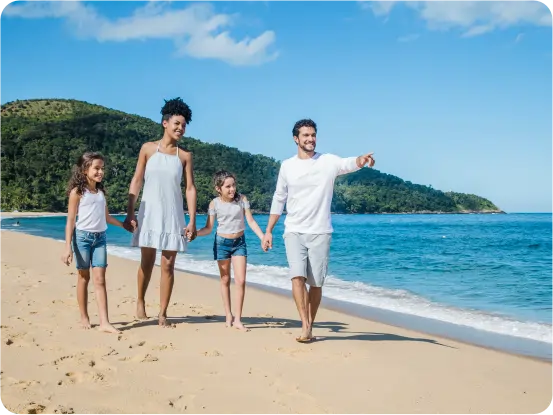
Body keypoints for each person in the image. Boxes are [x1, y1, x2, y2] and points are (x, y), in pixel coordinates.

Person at [262, 119, 375, 343]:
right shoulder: (287, 166)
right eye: (305, 135)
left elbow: (348, 163)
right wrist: (268, 231)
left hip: (321, 231)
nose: (310, 139)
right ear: (296, 139)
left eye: (313, 135)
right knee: (297, 277)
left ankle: (310, 324)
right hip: (293, 230)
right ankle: (305, 325)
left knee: (315, 284)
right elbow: (279, 198)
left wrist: (362, 160)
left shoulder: (327, 161)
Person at [123, 97, 197, 327]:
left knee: (168, 264)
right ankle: (140, 300)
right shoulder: (147, 148)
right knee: (147, 261)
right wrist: (130, 212)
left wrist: (192, 221)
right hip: (149, 212)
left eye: (184, 125)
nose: (180, 128)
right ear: (165, 122)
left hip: (173, 215)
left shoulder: (184, 156)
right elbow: (136, 181)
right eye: (177, 123)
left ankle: (163, 313)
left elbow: (190, 188)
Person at [61, 151, 130, 334]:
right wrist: (67, 247)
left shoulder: (100, 192)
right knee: (84, 277)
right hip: (82, 238)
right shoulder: (77, 192)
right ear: (85, 170)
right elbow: (70, 221)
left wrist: (123, 225)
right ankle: (84, 316)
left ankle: (104, 322)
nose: (100, 172)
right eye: (96, 168)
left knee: (100, 280)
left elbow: (106, 217)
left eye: (102, 169)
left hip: (100, 238)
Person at [196, 170, 265, 331]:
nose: (232, 189)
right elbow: (208, 228)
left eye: (233, 185)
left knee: (240, 281)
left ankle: (238, 319)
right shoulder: (214, 204)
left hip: (239, 243)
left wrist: (262, 237)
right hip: (222, 243)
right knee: (225, 279)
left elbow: (251, 221)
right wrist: (195, 233)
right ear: (218, 188)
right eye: (228, 186)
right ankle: (228, 314)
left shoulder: (242, 200)